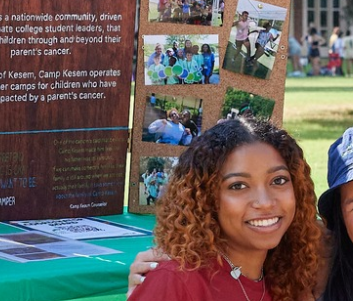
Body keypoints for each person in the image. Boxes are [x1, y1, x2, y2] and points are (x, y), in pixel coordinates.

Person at [128, 117, 325, 301]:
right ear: (206, 199)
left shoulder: (291, 276)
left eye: (278, 180)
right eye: (238, 185)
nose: (265, 202)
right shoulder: (176, 280)